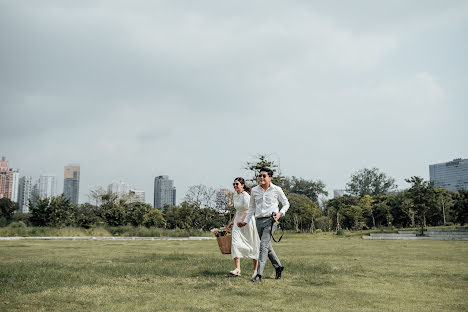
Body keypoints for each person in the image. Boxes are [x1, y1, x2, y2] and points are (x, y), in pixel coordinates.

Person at [238, 167, 290, 282]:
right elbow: (251, 208)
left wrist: (280, 214)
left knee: (262, 247)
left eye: (264, 176)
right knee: (267, 247)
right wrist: (245, 221)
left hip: (271, 221)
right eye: (260, 175)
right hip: (258, 221)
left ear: (270, 178)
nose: (261, 178)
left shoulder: (277, 189)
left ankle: (258, 275)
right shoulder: (255, 191)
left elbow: (286, 203)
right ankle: (278, 267)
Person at [227, 177, 260, 277]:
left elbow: (249, 210)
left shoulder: (246, 196)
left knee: (252, 244)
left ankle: (255, 270)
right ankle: (237, 269)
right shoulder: (235, 196)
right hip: (238, 221)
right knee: (235, 243)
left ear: (242, 185)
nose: (235, 186)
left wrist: (242, 219)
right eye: (234, 184)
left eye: (237, 184)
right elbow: (237, 210)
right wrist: (232, 221)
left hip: (247, 221)